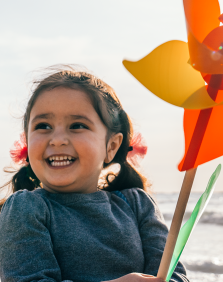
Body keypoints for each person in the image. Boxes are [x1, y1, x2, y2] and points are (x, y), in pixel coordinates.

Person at [0, 67, 189, 282]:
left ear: (112, 146)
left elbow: (174, 274)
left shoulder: (139, 205)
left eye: (77, 125)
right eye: (43, 126)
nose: (57, 139)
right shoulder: (25, 208)